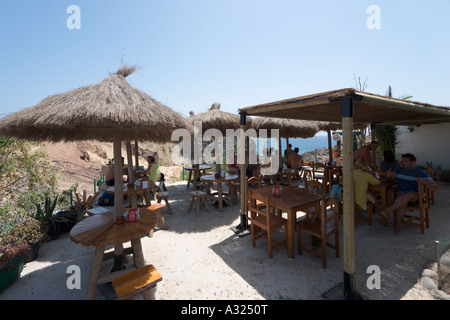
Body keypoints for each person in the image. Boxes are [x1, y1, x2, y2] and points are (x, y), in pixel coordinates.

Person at [379, 153, 438, 235]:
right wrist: (388, 176)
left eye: (406, 161)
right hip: (401, 195)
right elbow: (392, 180)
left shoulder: (420, 173)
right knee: (402, 199)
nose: (403, 163)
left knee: (409, 194)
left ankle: (388, 210)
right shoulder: (399, 170)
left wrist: (423, 181)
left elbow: (435, 188)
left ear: (413, 162)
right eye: (402, 161)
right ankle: (398, 225)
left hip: (415, 197)